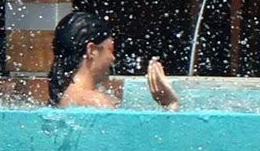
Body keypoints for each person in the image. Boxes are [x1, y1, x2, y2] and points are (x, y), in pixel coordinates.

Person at [48, 12, 179, 110]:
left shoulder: (60, 100)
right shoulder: (96, 102)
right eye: (111, 50)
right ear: (92, 51)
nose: (113, 58)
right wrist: (170, 104)